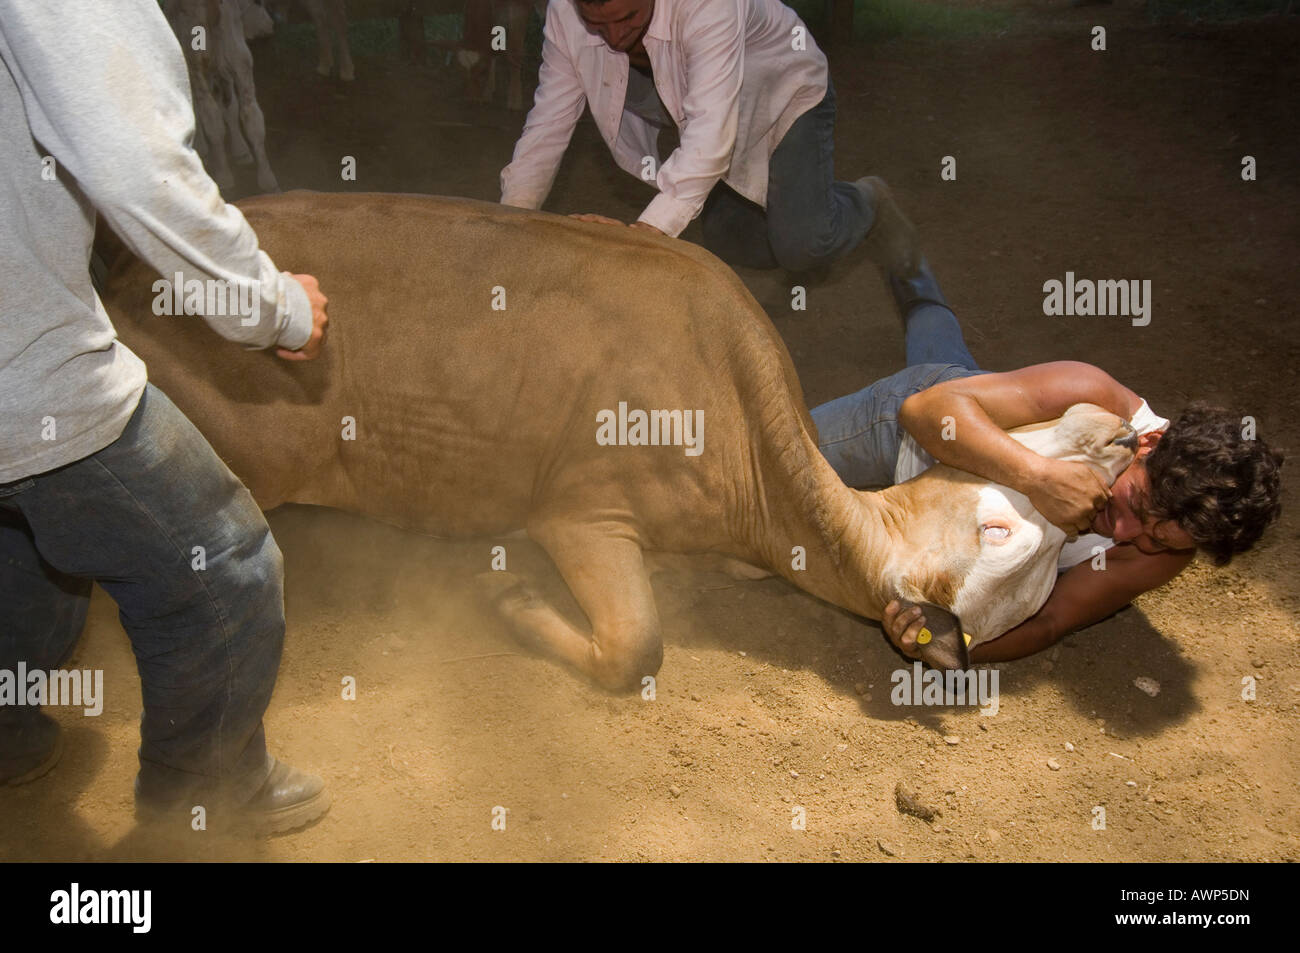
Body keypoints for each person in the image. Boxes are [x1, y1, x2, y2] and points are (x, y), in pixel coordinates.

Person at [0, 0, 330, 834]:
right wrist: (275, 307)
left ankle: (2, 729)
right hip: (22, 366)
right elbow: (137, 167)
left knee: (27, 545)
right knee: (221, 565)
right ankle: (202, 813)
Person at [811, 261, 1284, 663]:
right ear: (1149, 443)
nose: (1125, 536)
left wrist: (941, 642)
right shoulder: (1092, 393)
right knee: (752, 473)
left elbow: (1051, 619)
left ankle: (917, 285)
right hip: (904, 438)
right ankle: (904, 259)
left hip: (960, 460)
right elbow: (925, 412)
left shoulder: (1163, 555)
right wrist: (1038, 478)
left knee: (951, 359)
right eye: (1137, 506)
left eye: (1156, 540)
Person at [500, 0, 921, 276]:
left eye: (627, 18)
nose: (613, 37)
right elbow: (549, 121)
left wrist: (644, 237)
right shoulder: (564, 11)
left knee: (806, 247)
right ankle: (785, 209)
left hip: (783, 91)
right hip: (693, 100)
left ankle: (868, 201)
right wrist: (512, 222)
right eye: (596, 24)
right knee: (729, 242)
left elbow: (709, 129)